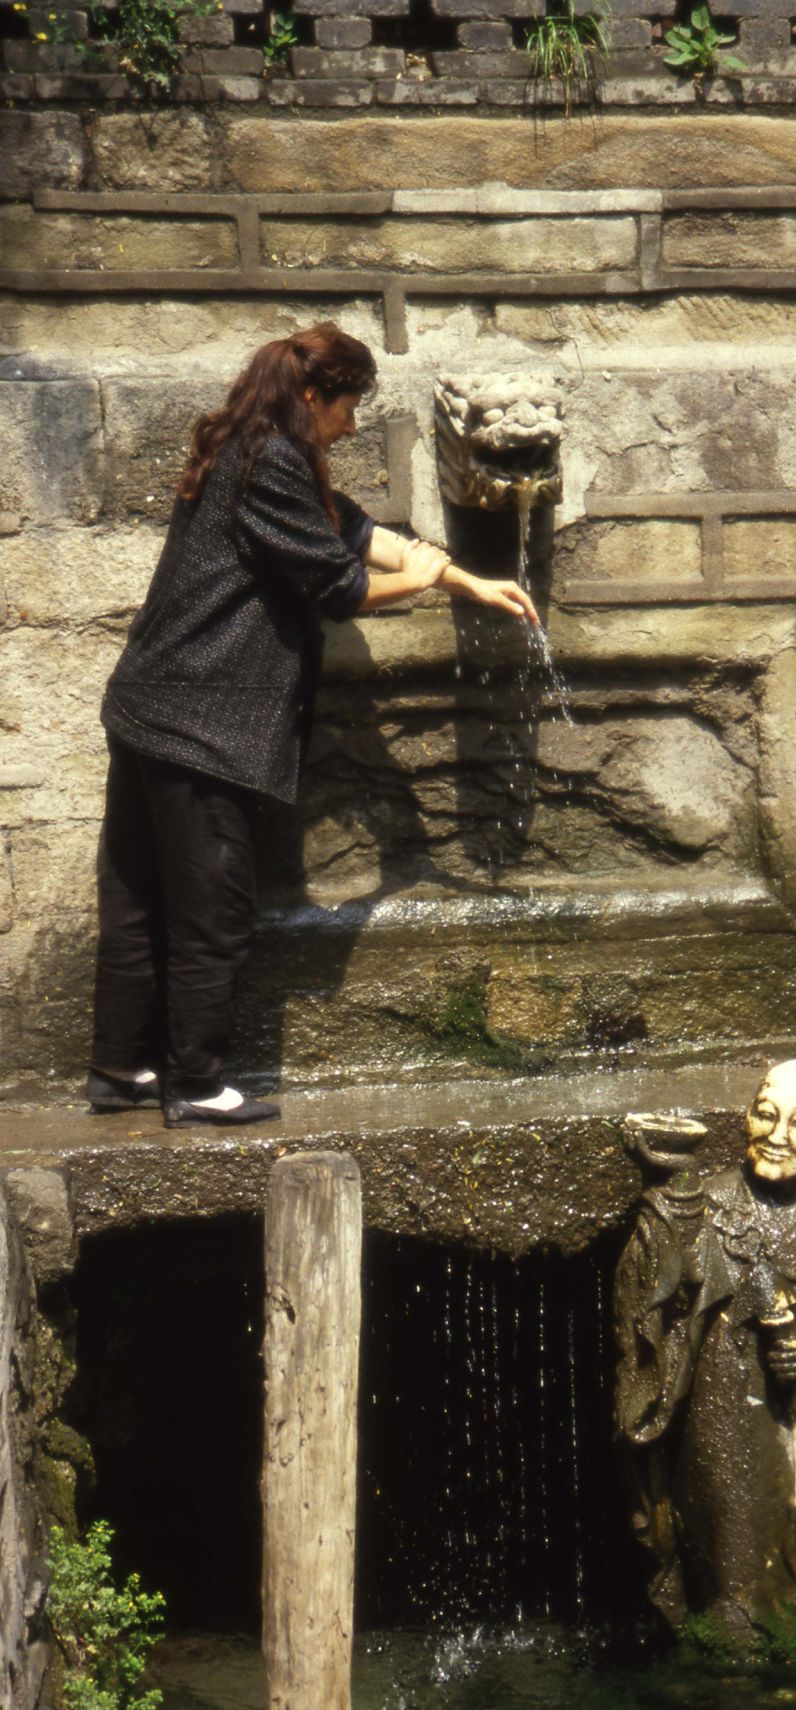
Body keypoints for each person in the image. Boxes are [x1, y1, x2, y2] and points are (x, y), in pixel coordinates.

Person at [86, 322, 538, 1129]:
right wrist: (427, 582)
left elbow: (355, 531)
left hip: (151, 705)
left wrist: (466, 578)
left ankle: (120, 1069)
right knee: (213, 908)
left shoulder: (255, 452)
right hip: (199, 721)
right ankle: (194, 1086)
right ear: (310, 395)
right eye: (348, 406)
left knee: (139, 899)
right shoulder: (269, 465)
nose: (354, 425)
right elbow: (341, 586)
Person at [614, 1059, 796, 1645]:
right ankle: (726, 1634)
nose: (778, 1134)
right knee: (728, 1539)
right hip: (720, 1414)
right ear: (746, 1116)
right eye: (766, 1115)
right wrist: (661, 1215)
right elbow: (659, 1298)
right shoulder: (708, 1203)